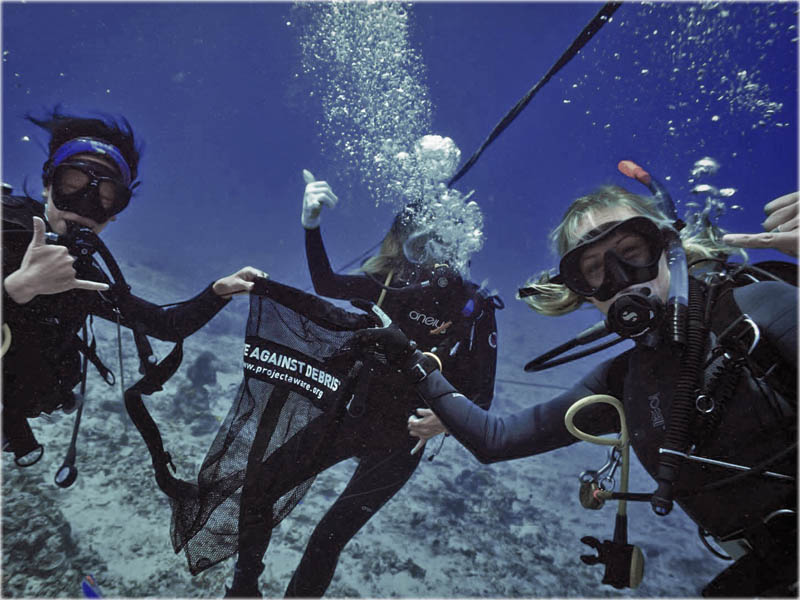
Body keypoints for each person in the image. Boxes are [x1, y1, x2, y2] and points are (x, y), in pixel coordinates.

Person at [359, 165, 797, 597]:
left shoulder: (757, 310)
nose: (619, 279)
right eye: (594, 269)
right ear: (582, 291)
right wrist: (413, 361)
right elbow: (497, 439)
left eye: (632, 252)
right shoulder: (623, 381)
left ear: (667, 249)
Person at [223, 169, 501, 597]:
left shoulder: (473, 307)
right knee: (258, 487)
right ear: (404, 241)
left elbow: (483, 392)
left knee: (326, 540)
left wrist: (446, 421)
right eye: (422, 242)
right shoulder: (389, 283)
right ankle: (243, 590)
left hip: (401, 440)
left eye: (442, 244)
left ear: (460, 248)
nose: (431, 256)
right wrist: (311, 226)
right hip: (350, 414)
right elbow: (325, 283)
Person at [2, 109, 264, 469]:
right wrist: (17, 288)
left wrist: (217, 293)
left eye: (106, 196)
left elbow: (165, 325)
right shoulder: (3, 232)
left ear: (114, 214)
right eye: (73, 183)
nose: (86, 205)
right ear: (49, 184)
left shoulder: (86, 279)